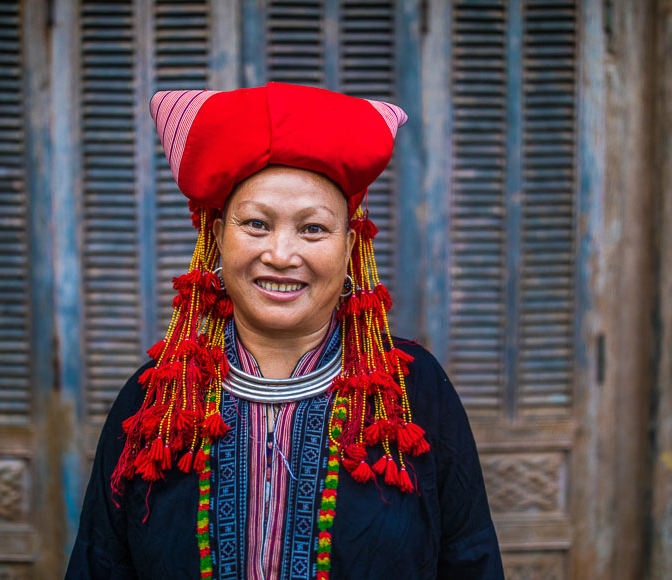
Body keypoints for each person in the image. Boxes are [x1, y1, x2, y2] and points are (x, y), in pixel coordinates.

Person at [66, 83, 503, 579]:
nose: (280, 254)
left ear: (350, 246)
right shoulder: (157, 403)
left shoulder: (412, 395)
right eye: (255, 224)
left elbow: (472, 562)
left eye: (313, 228)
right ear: (216, 236)